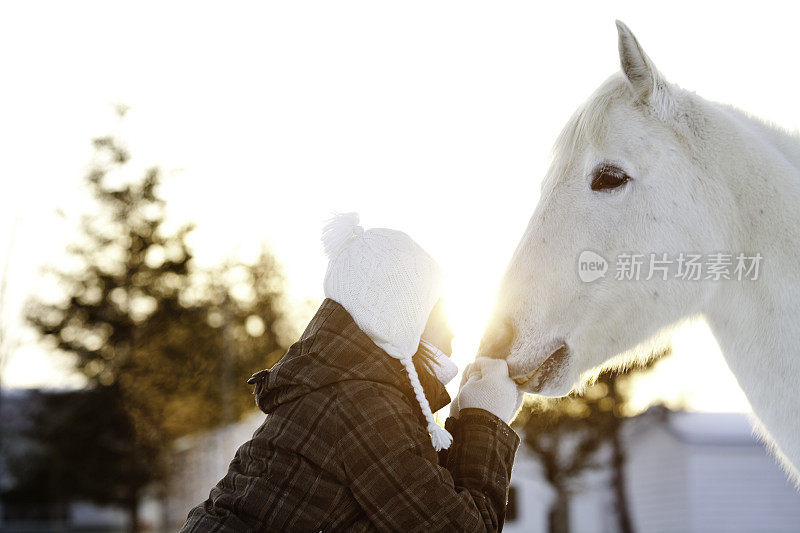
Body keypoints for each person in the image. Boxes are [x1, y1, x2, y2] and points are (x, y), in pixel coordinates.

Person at [181, 213, 523, 532]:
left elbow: (423, 499)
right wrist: (484, 419)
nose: (453, 331)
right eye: (441, 311)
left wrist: (465, 423)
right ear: (402, 319)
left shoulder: (340, 387)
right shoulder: (361, 405)